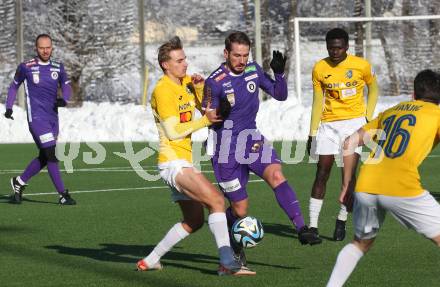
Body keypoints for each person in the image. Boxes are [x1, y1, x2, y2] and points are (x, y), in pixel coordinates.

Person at [202, 31, 320, 271]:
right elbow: (207, 117)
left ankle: (301, 228)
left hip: (251, 138)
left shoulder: (253, 69)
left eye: (245, 55)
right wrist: (219, 113)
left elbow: (280, 94)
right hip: (225, 149)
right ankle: (233, 244)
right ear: (226, 53)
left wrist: (279, 73)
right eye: (237, 55)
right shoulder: (214, 81)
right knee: (240, 209)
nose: (242, 60)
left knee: (276, 175)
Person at [136, 36, 254, 276]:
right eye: (179, 61)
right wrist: (204, 121)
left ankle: (151, 260)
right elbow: (172, 131)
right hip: (173, 163)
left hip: (182, 162)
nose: (185, 64)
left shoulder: (185, 83)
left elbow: (203, 105)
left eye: (185, 59)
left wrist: (199, 87)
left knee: (194, 221)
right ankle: (227, 262)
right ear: (165, 65)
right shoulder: (163, 90)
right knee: (218, 202)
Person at [326, 69, 440, 287]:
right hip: (401, 186)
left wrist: (347, 185)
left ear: (413, 94)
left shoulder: (391, 112)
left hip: (367, 186)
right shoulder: (436, 115)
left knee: (360, 244)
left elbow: (349, 143)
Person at [306, 28, 379, 242]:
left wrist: (367, 117)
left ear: (346, 47)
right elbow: (318, 101)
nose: (335, 52)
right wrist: (312, 132)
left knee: (348, 176)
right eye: (331, 48)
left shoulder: (361, 65)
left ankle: (342, 218)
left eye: (338, 48)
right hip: (329, 125)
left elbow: (373, 89)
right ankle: (312, 226)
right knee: (322, 171)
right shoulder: (320, 68)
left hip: (354, 124)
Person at [4, 34, 75, 205]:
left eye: (48, 47)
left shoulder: (58, 67)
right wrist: (8, 106)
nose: (45, 50)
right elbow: (14, 86)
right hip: (36, 119)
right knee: (51, 155)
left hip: (53, 119)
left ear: (52, 48)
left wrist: (64, 99)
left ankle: (19, 182)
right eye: (42, 47)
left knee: (45, 156)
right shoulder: (26, 67)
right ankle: (63, 194)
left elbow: (66, 86)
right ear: (36, 48)